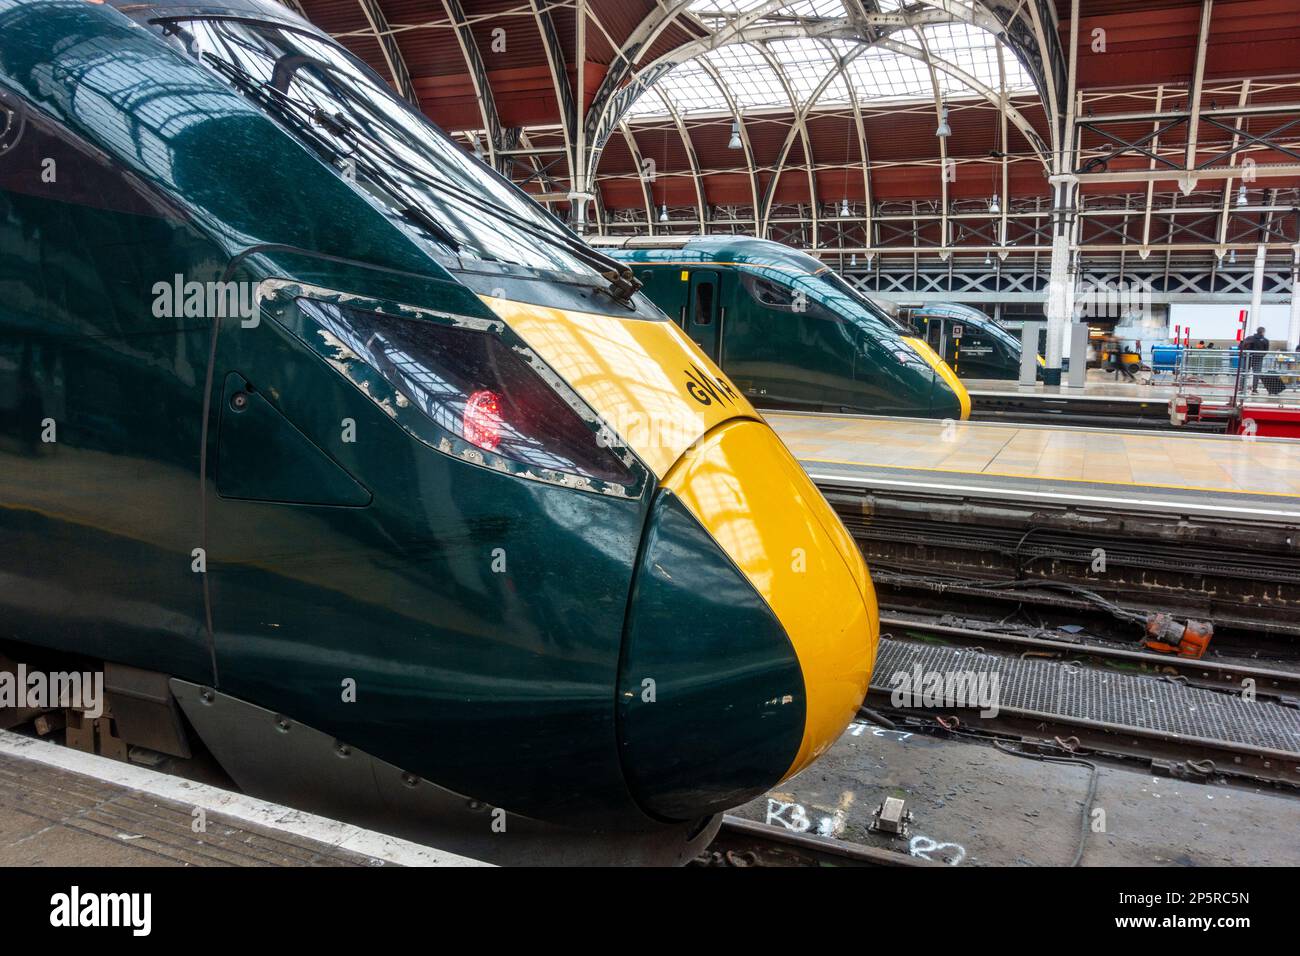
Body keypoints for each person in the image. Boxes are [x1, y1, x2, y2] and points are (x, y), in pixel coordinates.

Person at [1240, 326, 1270, 393]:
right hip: (1258, 359)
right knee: (1256, 374)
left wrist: (1245, 354)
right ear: (1263, 332)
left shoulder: (1249, 338)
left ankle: (1241, 388)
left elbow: (1241, 346)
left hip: (1248, 358)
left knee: (1244, 373)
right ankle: (1254, 389)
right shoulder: (1265, 340)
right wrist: (1261, 356)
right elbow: (1266, 351)